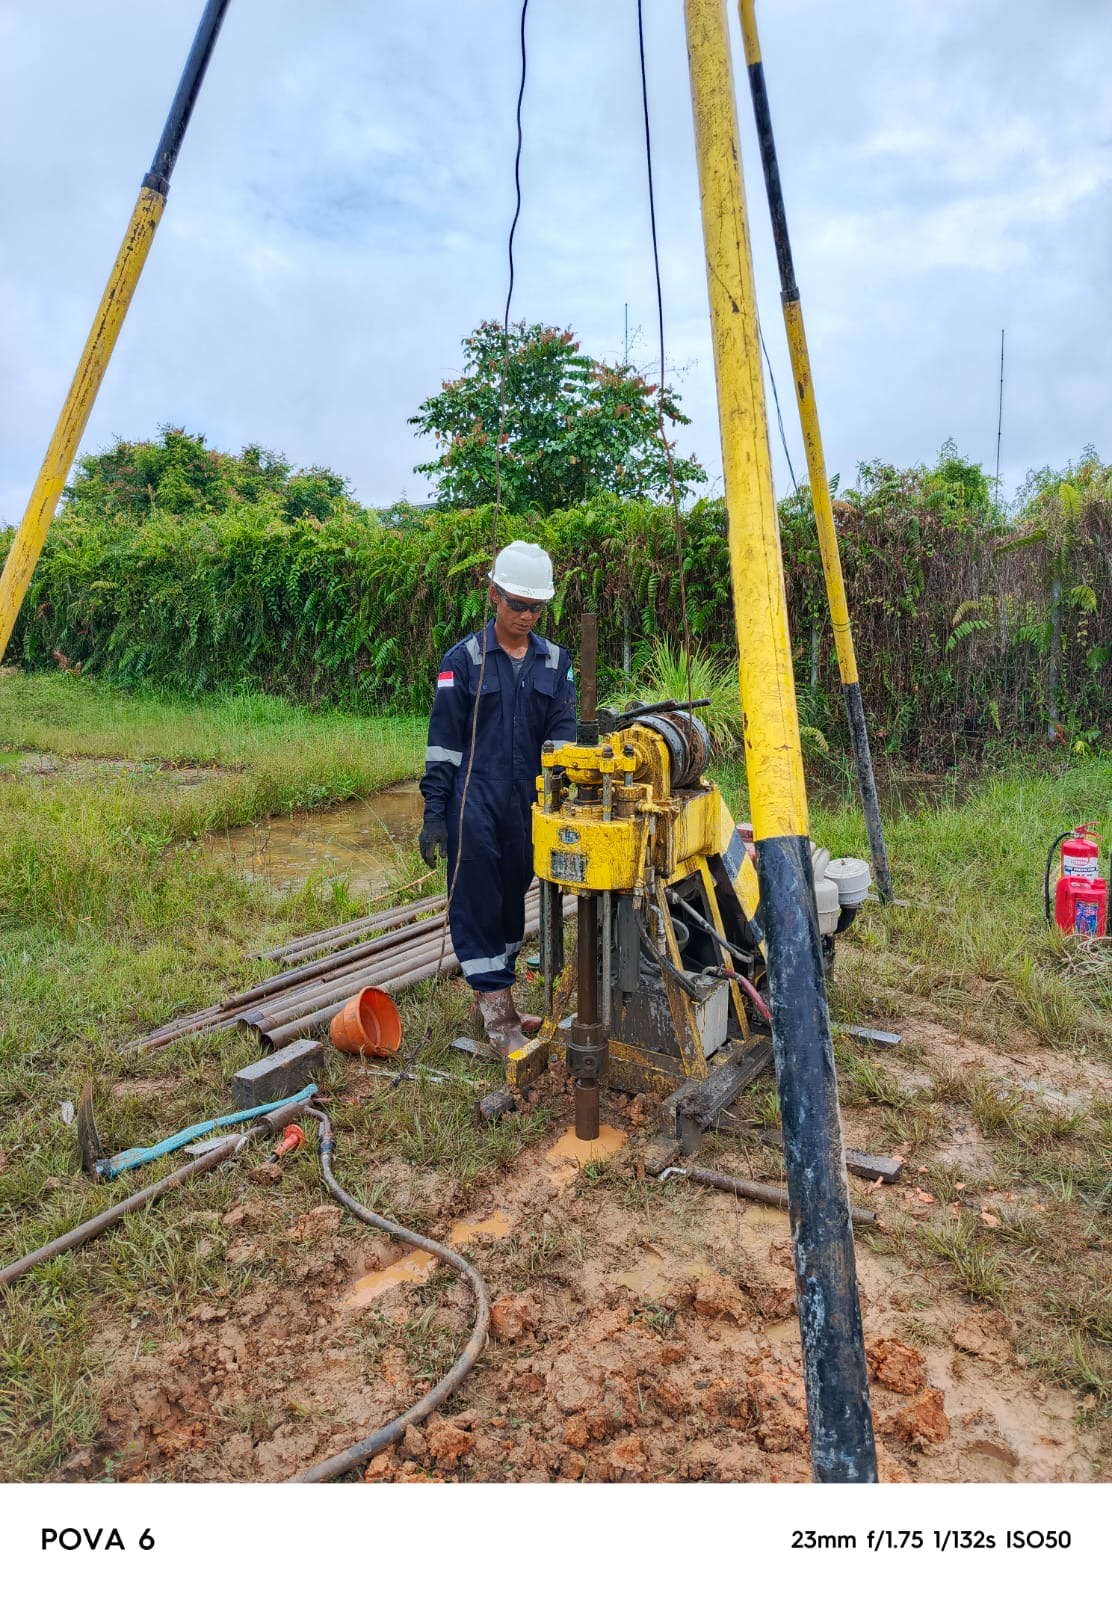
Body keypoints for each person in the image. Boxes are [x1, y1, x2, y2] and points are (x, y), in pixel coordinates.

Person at [419, 541, 576, 1055]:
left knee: (512, 903)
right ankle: (499, 1022)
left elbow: (564, 736)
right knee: (476, 904)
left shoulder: (556, 662)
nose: (527, 616)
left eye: (537, 607)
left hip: (529, 803)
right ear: (493, 595)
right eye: (518, 604)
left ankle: (498, 994)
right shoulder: (461, 662)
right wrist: (435, 813)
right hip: (475, 801)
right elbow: (442, 745)